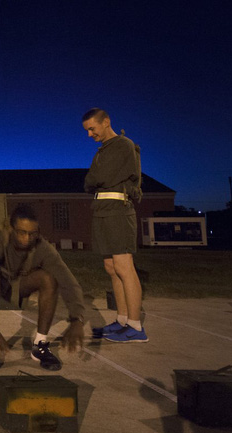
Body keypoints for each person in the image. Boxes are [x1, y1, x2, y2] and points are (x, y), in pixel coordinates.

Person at [0, 205, 86, 371]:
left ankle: (40, 345)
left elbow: (68, 280)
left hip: (21, 285)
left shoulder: (42, 247)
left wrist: (77, 319)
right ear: (11, 229)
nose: (27, 238)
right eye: (22, 232)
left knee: (48, 278)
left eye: (32, 233)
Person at [82, 108, 148, 343]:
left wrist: (93, 178)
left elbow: (96, 178)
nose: (90, 134)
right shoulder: (103, 150)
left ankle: (135, 326)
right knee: (111, 266)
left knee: (124, 265)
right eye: (87, 130)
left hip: (118, 210)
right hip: (102, 209)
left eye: (92, 128)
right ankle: (122, 320)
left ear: (106, 122)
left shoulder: (123, 145)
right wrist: (93, 179)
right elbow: (91, 182)